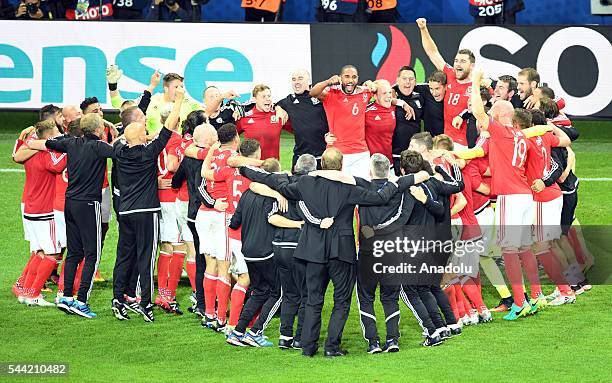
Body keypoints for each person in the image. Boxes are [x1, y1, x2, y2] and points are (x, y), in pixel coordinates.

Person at [238, 147, 399, 357]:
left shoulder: (306, 183)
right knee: (341, 301)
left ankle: (308, 347)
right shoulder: (349, 186)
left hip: (312, 250)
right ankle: (331, 347)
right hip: (342, 252)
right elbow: (380, 198)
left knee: (313, 299)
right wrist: (397, 183)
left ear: (322, 164)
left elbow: (277, 182)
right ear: (341, 165)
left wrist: (244, 169)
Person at [471, 69, 543, 321]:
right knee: (524, 247)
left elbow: (478, 113)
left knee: (509, 250)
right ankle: (535, 296)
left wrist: (475, 83)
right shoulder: (519, 135)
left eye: (493, 112)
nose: (489, 115)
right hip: (524, 196)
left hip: (510, 197)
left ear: (501, 116)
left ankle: (520, 303)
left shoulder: (500, 132)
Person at [27, 113, 115, 319]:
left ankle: (66, 296)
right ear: (98, 130)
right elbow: (121, 153)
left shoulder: (71, 143)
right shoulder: (100, 146)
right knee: (92, 254)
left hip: (70, 204)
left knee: (74, 252)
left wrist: (29, 138)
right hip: (89, 204)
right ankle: (81, 301)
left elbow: (46, 143)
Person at [111, 85, 184, 322]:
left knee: (123, 256)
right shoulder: (149, 153)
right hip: (147, 211)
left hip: (126, 211)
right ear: (141, 136)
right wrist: (179, 101)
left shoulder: (120, 151)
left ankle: (118, 299)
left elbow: (128, 137)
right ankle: (145, 304)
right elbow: (169, 126)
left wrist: (137, 133)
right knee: (147, 258)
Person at [226, 158, 290, 347]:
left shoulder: (246, 194)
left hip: (248, 252)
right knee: (277, 293)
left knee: (259, 292)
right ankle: (255, 332)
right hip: (267, 251)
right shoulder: (276, 195)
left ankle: (238, 332)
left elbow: (234, 223)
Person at [171, 124, 225, 318]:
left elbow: (176, 181)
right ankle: (211, 303)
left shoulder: (188, 158)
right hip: (213, 212)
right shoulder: (215, 158)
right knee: (218, 259)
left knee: (202, 257)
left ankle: (203, 302)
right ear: (210, 140)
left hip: (193, 215)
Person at [16, 120, 66, 306]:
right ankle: (34, 294)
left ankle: (25, 291)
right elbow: (59, 165)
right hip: (44, 211)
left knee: (39, 252)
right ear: (49, 137)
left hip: (31, 208)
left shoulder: (29, 154)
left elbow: (17, 155)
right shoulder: (47, 155)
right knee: (52, 253)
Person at [417, 18, 474, 150]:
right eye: (456, 60)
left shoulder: (477, 86)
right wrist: (423, 29)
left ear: (471, 65)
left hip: (466, 144)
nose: (458, 64)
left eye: (463, 61)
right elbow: (432, 52)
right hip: (446, 141)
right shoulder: (450, 74)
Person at [274, 69, 328, 171]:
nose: (296, 82)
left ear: (309, 81)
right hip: (300, 157)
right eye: (294, 79)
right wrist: (278, 108)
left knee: (321, 186)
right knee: (296, 186)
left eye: (300, 78)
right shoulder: (289, 100)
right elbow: (276, 105)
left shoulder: (320, 97)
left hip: (321, 156)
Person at [237, 84, 291, 160]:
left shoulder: (278, 115)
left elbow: (297, 130)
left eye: (269, 96)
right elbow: (232, 139)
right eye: (263, 97)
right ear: (254, 99)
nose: (268, 99)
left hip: (272, 167)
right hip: (252, 167)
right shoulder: (245, 118)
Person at [393, 67, 425, 173]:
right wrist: (399, 102)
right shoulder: (389, 95)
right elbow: (375, 88)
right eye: (404, 78)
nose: (407, 82)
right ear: (397, 80)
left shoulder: (420, 97)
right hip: (395, 155)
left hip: (414, 156)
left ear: (415, 82)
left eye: (411, 79)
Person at [365, 79, 396, 165]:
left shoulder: (394, 108)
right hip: (371, 164)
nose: (388, 96)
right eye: (384, 93)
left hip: (389, 163)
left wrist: (403, 104)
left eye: (389, 92)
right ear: (374, 96)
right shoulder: (367, 112)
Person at [416, 70, 446, 138]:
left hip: (448, 142)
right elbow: (403, 86)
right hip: (430, 141)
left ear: (445, 87)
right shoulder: (425, 90)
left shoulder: (453, 96)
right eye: (431, 89)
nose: (434, 93)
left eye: (437, 88)